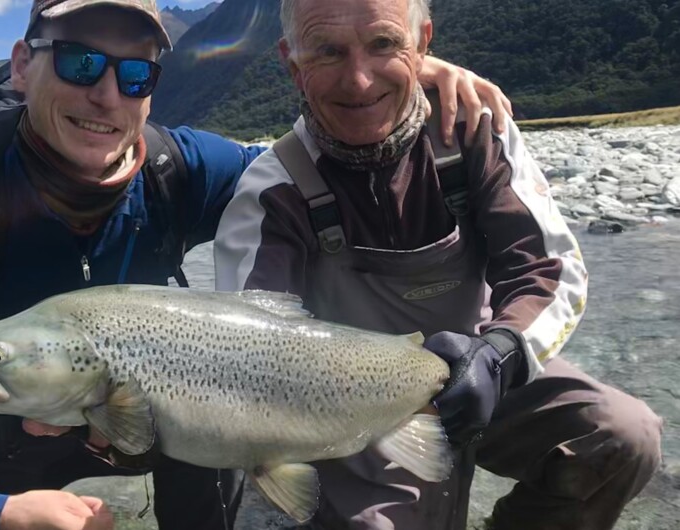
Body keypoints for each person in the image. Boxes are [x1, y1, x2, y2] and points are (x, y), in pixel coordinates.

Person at [0, 1, 513, 529]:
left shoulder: (189, 169)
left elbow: (323, 159)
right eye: (80, 61)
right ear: (24, 64)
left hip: (172, 431)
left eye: (136, 74)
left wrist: (395, 78)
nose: (107, 94)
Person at [213, 0, 664, 529]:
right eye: (329, 52)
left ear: (422, 42)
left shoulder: (473, 134)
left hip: (485, 372)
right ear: (293, 64)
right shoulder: (274, 190)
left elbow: (547, 269)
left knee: (621, 435)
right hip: (351, 405)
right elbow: (246, 351)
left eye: (383, 44)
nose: (358, 81)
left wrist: (501, 353)